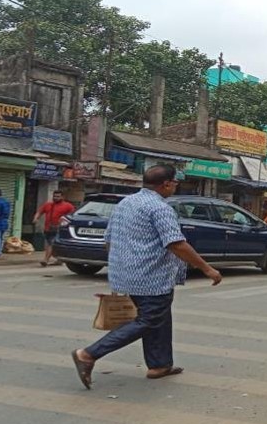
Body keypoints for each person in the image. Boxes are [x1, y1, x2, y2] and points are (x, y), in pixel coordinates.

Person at [71, 165, 223, 389]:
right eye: (175, 183)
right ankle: (88, 354)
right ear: (166, 184)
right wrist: (207, 269)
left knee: (160, 317)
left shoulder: (125, 203)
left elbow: (109, 239)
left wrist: (121, 266)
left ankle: (159, 365)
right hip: (151, 277)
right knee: (149, 320)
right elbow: (176, 244)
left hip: (127, 274)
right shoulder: (159, 208)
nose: (175, 187)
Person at [34, 190, 75, 267]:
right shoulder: (48, 205)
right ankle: (59, 259)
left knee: (51, 244)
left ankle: (45, 260)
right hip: (48, 228)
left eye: (58, 196)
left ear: (62, 197)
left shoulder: (68, 206)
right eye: (54, 196)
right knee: (51, 244)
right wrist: (36, 218)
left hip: (59, 229)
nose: (56, 198)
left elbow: (73, 216)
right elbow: (39, 212)